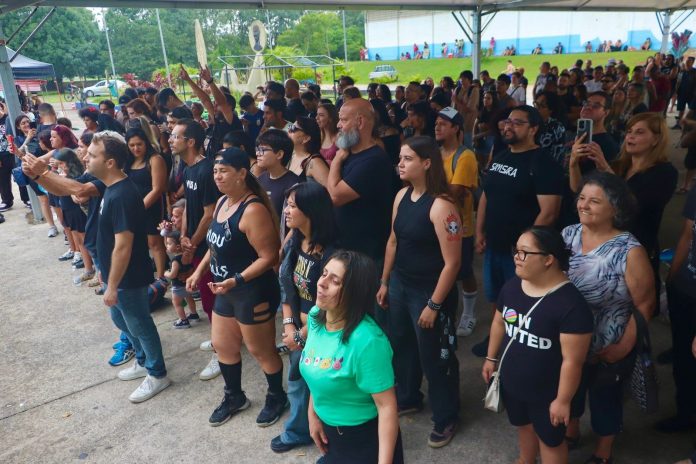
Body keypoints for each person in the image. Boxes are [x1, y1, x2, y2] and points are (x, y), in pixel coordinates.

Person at [186, 147, 288, 427]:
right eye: (215, 171)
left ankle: (277, 396)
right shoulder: (222, 203)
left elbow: (270, 257)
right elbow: (214, 246)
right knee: (223, 345)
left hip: (252, 291)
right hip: (226, 289)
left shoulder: (253, 210)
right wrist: (199, 271)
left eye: (224, 171)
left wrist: (237, 279)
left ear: (242, 173)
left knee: (261, 351)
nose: (217, 176)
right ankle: (234, 396)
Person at [563, 172, 655, 464]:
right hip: (570, 340)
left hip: (610, 341)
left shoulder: (629, 250)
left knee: (605, 397)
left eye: (594, 201)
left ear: (615, 208)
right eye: (581, 198)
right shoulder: (568, 235)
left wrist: (624, 346)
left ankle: (603, 450)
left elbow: (645, 304)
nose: (583, 205)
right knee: (571, 388)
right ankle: (572, 429)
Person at [377, 136, 462, 448]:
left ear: (427, 163)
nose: (400, 164)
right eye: (400, 158)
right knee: (401, 344)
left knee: (435, 356)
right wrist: (385, 282)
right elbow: (393, 241)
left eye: (407, 158)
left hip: (429, 291)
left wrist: (434, 305)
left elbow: (453, 263)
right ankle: (410, 396)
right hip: (401, 284)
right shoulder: (401, 196)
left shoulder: (442, 206)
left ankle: (446, 416)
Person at [483, 226, 593, 464]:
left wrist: (562, 401)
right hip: (513, 384)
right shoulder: (512, 287)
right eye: (516, 251)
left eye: (524, 252)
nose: (516, 257)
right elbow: (499, 322)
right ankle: (526, 459)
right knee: (523, 426)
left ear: (548, 259)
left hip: (548, 394)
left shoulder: (571, 306)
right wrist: (491, 358)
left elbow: (573, 361)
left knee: (550, 441)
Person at [474, 106, 564, 358]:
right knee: (497, 296)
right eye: (507, 121)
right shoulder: (501, 156)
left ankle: (516, 342)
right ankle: (499, 334)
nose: (508, 126)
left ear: (533, 129)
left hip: (521, 252)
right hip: (494, 244)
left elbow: (549, 212)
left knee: (521, 298)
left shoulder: (544, 163)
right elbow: (486, 196)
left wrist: (526, 249)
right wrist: (479, 231)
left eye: (517, 122)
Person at [302, 251, 404, 463]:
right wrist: (312, 416)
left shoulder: (368, 342)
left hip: (363, 441)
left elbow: (387, 407)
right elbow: (317, 367)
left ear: (354, 293)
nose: (321, 283)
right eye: (324, 273)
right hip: (330, 436)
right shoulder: (315, 318)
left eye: (335, 281)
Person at [271, 182, 338, 454]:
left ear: (311, 210)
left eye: (292, 206)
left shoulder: (333, 253)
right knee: (298, 381)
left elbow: (329, 306)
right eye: (286, 205)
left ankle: (320, 434)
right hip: (299, 328)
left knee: (318, 383)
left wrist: (300, 336)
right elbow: (287, 286)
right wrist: (290, 325)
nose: (286, 211)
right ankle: (300, 430)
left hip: (322, 330)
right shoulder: (296, 240)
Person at [571, 113, 678, 277]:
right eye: (629, 131)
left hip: (635, 249)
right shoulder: (619, 165)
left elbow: (631, 206)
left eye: (639, 132)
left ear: (656, 139)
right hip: (604, 246)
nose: (631, 136)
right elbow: (579, 191)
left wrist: (605, 168)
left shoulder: (665, 173)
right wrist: (573, 164)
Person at [170, 119, 221, 380]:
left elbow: (210, 213)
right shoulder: (188, 170)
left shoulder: (206, 170)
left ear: (190, 141)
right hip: (197, 243)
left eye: (175, 136)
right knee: (207, 294)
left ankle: (221, 351)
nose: (171, 140)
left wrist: (194, 240)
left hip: (212, 245)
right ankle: (221, 338)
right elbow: (190, 207)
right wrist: (184, 236)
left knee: (212, 298)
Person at [327, 98, 394, 261]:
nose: (338, 125)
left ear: (360, 122)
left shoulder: (374, 160)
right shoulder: (349, 153)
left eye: (343, 120)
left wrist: (336, 160)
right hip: (345, 247)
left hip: (364, 254)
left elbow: (335, 196)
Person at [655, 185, 696, 433]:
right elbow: (687, 235)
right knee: (683, 358)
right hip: (686, 290)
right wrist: (673, 279)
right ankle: (686, 413)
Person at [435, 108, 479, 336]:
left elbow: (455, 193)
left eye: (443, 123)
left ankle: (469, 314)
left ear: (456, 128)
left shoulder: (465, 156)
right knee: (443, 269)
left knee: (463, 272)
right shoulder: (436, 153)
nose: (437, 126)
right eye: (436, 122)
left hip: (459, 228)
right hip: (435, 224)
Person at [124, 127, 168, 280]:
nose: (135, 148)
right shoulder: (128, 161)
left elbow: (157, 189)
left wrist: (139, 208)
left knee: (155, 243)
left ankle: (161, 278)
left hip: (152, 206)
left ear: (146, 143)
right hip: (133, 206)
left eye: (139, 144)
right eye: (132, 145)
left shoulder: (155, 159)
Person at [52, 148, 96, 283]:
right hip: (69, 211)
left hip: (77, 211)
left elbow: (79, 196)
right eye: (58, 164)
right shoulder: (64, 175)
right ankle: (89, 269)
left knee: (87, 242)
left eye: (62, 163)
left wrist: (63, 180)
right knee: (80, 241)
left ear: (70, 162)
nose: (60, 167)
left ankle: (96, 271)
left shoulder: (77, 176)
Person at [13, 114, 57, 235]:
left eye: (28, 121)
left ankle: (65, 226)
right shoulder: (18, 139)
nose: (26, 124)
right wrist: (28, 138)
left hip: (46, 169)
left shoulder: (39, 134)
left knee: (55, 198)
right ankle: (52, 226)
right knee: (43, 200)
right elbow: (18, 153)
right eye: (23, 123)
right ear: (18, 127)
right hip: (32, 173)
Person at [255, 129, 300, 220]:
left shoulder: (294, 185)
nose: (257, 153)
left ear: (279, 154)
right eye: (257, 149)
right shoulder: (261, 178)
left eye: (263, 150)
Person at [163, 230, 199, 328]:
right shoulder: (188, 256)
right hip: (187, 284)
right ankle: (194, 314)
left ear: (178, 247)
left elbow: (173, 275)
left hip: (178, 286)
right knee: (189, 298)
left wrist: (166, 273)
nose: (167, 246)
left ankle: (183, 320)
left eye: (169, 244)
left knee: (177, 303)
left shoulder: (175, 261)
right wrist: (165, 234)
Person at [287, 116, 329, 186]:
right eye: (290, 127)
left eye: (293, 128)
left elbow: (332, 190)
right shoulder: (291, 155)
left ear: (306, 138)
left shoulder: (315, 162)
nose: (288, 131)